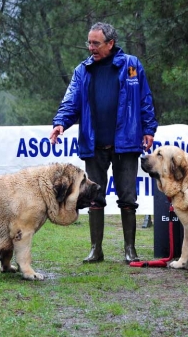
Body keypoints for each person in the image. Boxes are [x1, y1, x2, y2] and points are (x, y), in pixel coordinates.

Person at [49, 22, 158, 264]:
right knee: (94, 196)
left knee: (128, 195)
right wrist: (60, 123)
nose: (91, 47)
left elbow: (145, 99)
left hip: (127, 142)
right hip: (93, 143)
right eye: (89, 42)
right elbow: (71, 101)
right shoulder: (82, 70)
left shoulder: (132, 65)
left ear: (110, 43)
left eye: (96, 43)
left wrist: (149, 128)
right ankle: (95, 250)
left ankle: (130, 250)